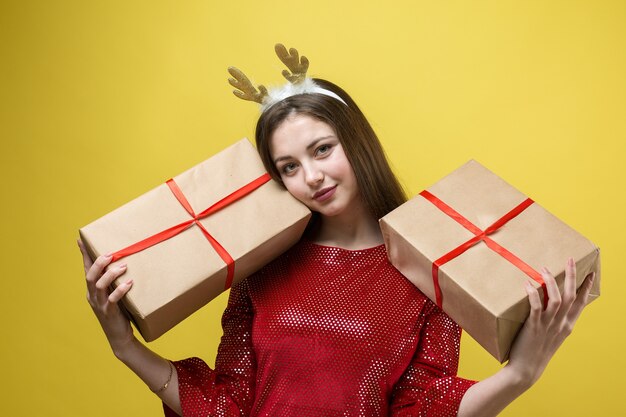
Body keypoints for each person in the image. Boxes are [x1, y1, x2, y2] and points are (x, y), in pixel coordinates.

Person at [78, 44, 595, 417]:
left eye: (322, 149)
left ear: (356, 141)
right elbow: (227, 406)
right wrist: (126, 346)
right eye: (289, 166)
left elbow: (421, 409)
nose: (313, 176)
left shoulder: (429, 265)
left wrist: (520, 374)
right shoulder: (261, 267)